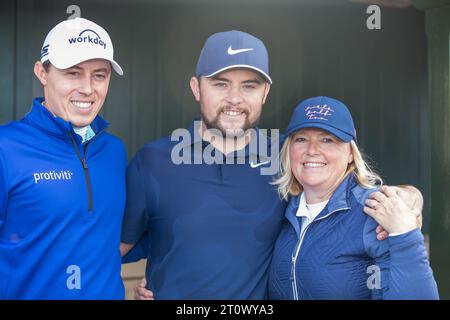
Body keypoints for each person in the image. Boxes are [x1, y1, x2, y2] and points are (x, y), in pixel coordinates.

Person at [122, 31, 424, 300]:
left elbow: (352, 186)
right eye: (220, 84)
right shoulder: (153, 161)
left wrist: (411, 196)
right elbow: (113, 248)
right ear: (196, 87)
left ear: (265, 92)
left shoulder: (290, 156)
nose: (234, 99)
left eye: (249, 86)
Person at [0, 17, 126, 299]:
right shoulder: (5, 149)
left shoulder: (114, 151)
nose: (87, 88)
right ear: (42, 73)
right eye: (72, 73)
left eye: (100, 75)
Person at [268, 96, 439, 300]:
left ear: (350, 153)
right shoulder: (282, 208)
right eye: (301, 139)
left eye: (327, 139)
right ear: (289, 149)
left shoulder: (375, 210)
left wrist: (406, 233)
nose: (312, 150)